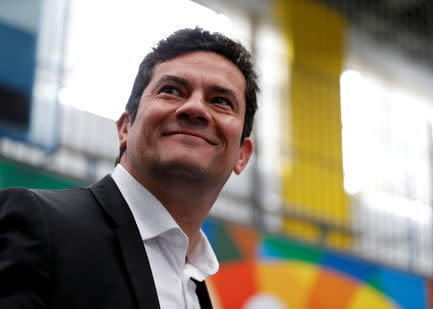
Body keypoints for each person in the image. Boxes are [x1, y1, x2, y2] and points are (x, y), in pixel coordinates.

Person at [0, 27, 258, 309]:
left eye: (220, 101)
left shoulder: (199, 290)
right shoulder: (38, 223)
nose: (195, 108)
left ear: (241, 156)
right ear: (125, 128)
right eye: (171, 90)